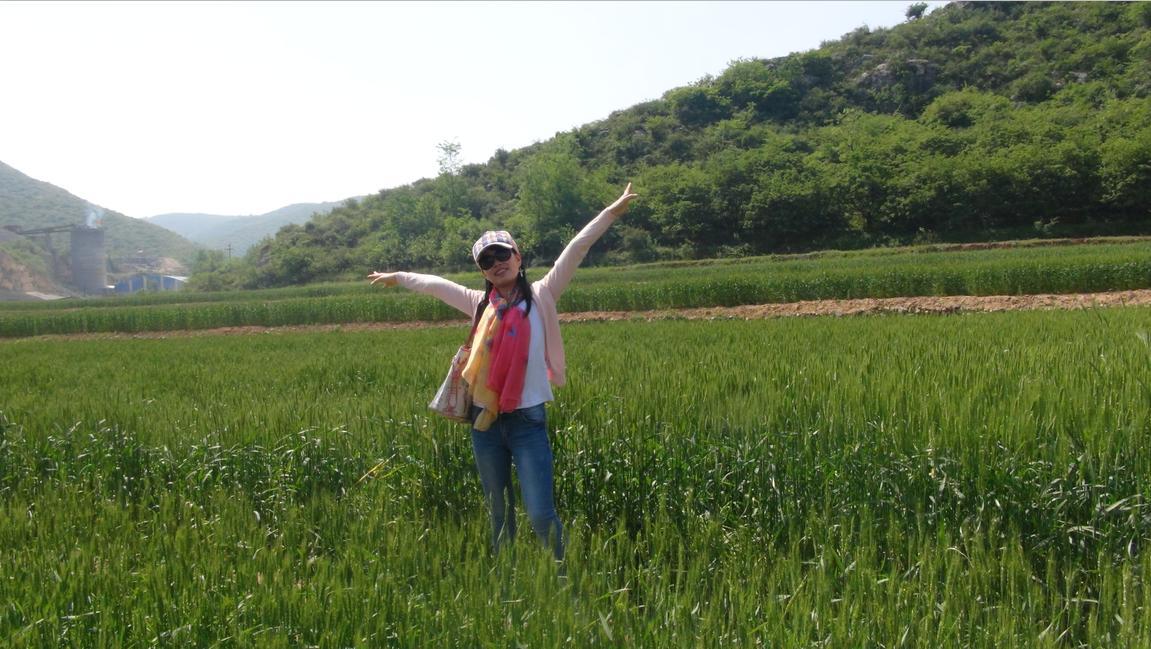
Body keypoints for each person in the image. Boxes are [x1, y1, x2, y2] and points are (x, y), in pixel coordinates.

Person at [368, 183, 638, 561]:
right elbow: (435, 285)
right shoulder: (479, 304)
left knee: (541, 515)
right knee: (499, 514)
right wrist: (398, 276)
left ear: (518, 256)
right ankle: (505, 581)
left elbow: (577, 247)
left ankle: (565, 579)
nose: (497, 262)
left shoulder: (543, 295)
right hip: (485, 423)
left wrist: (610, 213)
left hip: (528, 422)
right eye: (487, 260)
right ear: (482, 270)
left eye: (502, 253)